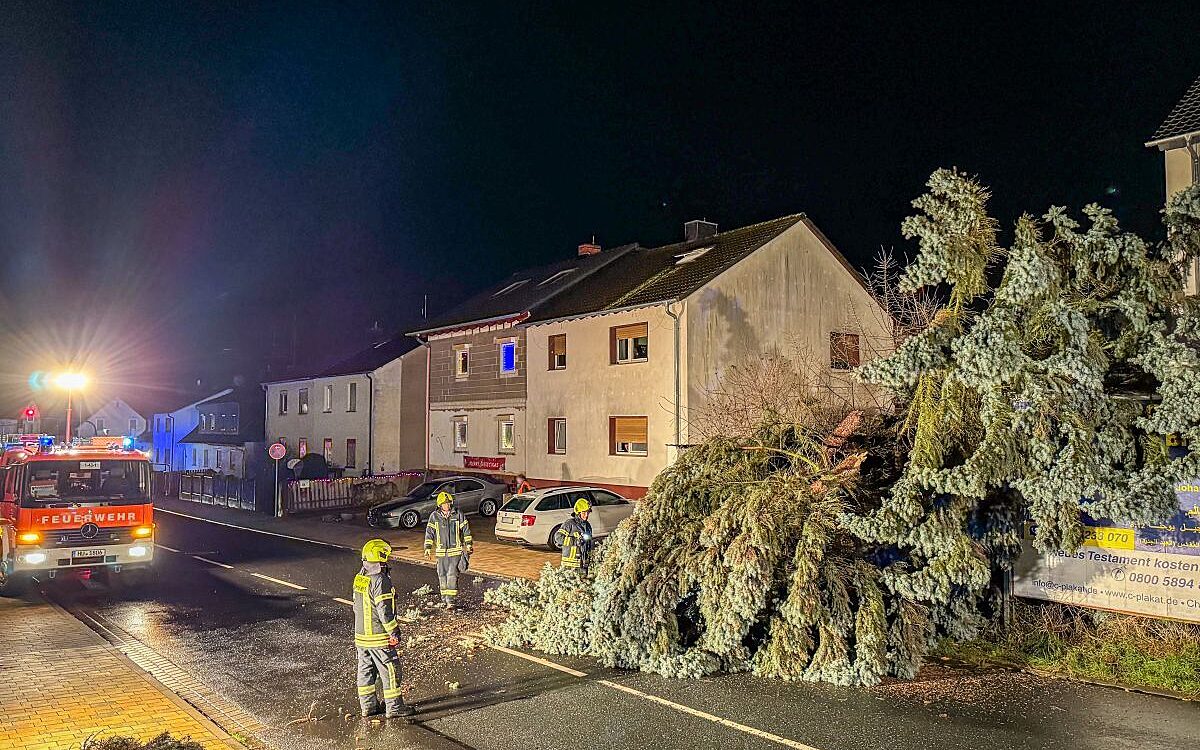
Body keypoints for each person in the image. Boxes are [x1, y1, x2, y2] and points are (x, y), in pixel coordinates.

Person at [353, 539, 415, 718]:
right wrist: (394, 631)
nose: (387, 560)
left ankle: (368, 707)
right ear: (380, 556)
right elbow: (384, 611)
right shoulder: (380, 580)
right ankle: (394, 707)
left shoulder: (360, 577)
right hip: (379, 637)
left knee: (365, 671)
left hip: (361, 636)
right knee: (390, 670)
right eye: (385, 557)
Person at [423, 491, 473, 607]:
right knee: (442, 575)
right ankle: (444, 598)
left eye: (449, 503)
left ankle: (451, 600)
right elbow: (429, 533)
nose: (447, 506)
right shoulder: (434, 517)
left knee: (452, 575)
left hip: (455, 551)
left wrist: (469, 544)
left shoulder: (458, 514)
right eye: (445, 504)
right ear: (440, 505)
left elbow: (466, 529)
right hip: (441, 552)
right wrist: (427, 548)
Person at [554, 497, 594, 573]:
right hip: (570, 565)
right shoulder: (569, 524)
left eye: (588, 512)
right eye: (584, 513)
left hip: (583, 564)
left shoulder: (588, 526)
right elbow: (558, 538)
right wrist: (575, 541)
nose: (586, 515)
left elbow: (588, 543)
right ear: (578, 512)